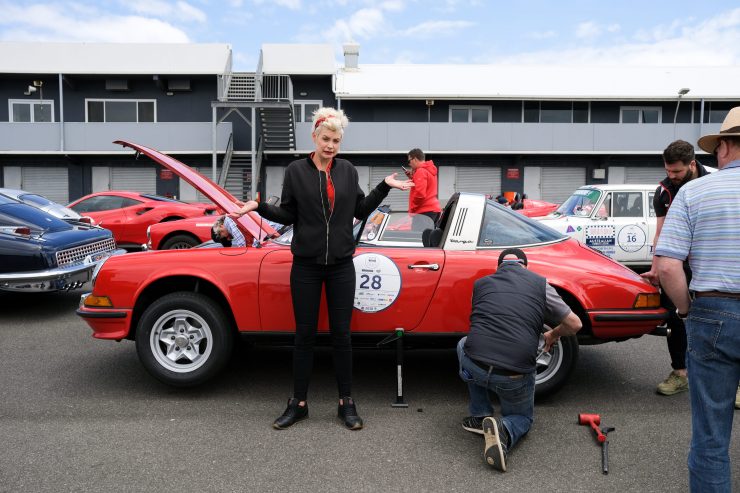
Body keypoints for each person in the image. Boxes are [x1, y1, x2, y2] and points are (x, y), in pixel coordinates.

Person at [234, 107, 413, 430]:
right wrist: (258, 207)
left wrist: (383, 187)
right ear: (314, 137)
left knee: (342, 337)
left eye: (336, 141)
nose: (330, 145)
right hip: (306, 266)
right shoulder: (295, 171)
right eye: (326, 139)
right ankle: (298, 403)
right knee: (303, 336)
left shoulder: (346, 170)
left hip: (342, 266)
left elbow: (359, 209)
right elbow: (288, 213)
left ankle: (346, 403)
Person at [656, 106, 740, 492]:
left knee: (711, 432)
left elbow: (667, 265)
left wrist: (686, 310)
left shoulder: (695, 192)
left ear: (723, 147)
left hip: (714, 310)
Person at [457, 248, 582, 471]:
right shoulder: (540, 284)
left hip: (475, 363)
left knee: (464, 345)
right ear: (525, 266)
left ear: (499, 267)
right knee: (522, 418)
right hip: (512, 374)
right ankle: (504, 429)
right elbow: (575, 325)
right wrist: (552, 335)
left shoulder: (481, 284)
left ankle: (479, 414)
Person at [640, 140, 709, 396]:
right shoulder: (664, 191)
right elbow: (661, 233)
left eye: (677, 172)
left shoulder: (714, 180)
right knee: (674, 315)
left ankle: (735, 381)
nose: (672, 176)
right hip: (678, 262)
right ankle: (681, 372)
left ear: (692, 164)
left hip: (710, 260)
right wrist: (656, 268)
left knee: (722, 315)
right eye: (668, 171)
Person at [404, 148, 441, 230]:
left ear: (415, 159)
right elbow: (428, 186)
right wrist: (412, 177)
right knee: (428, 239)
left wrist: (413, 208)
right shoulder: (429, 169)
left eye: (409, 161)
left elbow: (420, 194)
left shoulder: (420, 171)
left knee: (417, 239)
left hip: (424, 211)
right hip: (433, 210)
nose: (409, 164)